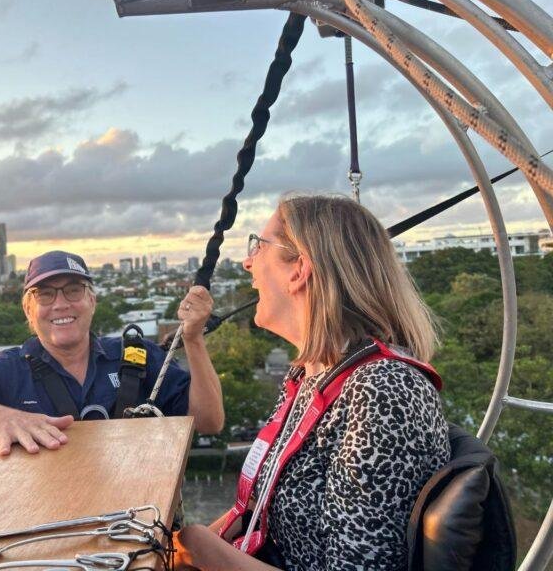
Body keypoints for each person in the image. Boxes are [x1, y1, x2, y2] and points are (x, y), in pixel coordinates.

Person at [173, 194, 450, 571]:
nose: (247, 261)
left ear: (299, 269)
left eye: (259, 245)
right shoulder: (309, 377)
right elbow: (257, 509)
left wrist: (202, 547)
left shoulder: (384, 391)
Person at [0, 250, 224, 455]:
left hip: (139, 523)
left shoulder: (135, 357)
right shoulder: (9, 372)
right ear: (29, 309)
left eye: (73, 290)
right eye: (45, 295)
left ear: (91, 300)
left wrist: (193, 339)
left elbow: (209, 421)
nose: (60, 304)